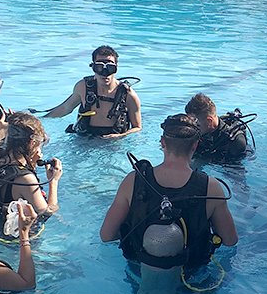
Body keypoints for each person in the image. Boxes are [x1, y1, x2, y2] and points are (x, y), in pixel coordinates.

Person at [100, 114, 238, 270]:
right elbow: (230, 240)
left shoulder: (133, 181)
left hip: (139, 271)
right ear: (195, 145)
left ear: (162, 142)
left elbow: (106, 235)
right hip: (192, 277)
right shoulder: (211, 187)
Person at [0, 112, 62, 220]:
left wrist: (31, 166)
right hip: (12, 234)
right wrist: (53, 181)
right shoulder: (25, 179)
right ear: (32, 142)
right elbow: (47, 212)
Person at [45, 45, 142, 138]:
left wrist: (121, 136)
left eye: (110, 68)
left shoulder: (128, 94)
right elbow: (65, 108)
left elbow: (137, 127)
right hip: (83, 137)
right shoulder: (82, 87)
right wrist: (40, 121)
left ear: (116, 67)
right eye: (99, 67)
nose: (105, 73)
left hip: (112, 142)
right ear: (93, 67)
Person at [184, 93, 252, 162]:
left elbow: (234, 171)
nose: (192, 127)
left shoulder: (235, 142)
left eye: (196, 124)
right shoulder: (200, 132)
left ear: (209, 121)